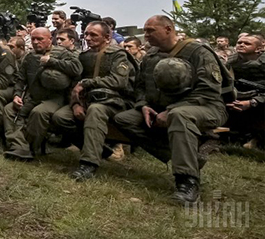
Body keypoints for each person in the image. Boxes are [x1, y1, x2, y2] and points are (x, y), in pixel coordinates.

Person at [113, 15, 227, 204]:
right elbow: (140, 86)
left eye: (151, 30)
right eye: (145, 31)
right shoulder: (151, 55)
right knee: (124, 119)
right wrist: (143, 105)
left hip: (206, 107)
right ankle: (187, 154)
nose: (146, 35)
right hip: (161, 108)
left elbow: (209, 90)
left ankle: (187, 182)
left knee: (178, 116)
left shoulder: (198, 52)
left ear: (168, 29)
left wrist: (172, 109)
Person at [52, 21, 136, 180]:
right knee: (60, 117)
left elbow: (118, 81)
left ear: (107, 37)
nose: (88, 38)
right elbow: (74, 84)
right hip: (86, 101)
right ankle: (101, 150)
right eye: (86, 34)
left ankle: (88, 164)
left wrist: (87, 83)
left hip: (114, 102)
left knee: (95, 110)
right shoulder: (84, 57)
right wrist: (75, 104)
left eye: (93, 35)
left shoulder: (118, 55)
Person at [3, 27, 82, 161]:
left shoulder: (62, 53)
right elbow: (21, 79)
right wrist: (17, 95)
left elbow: (77, 68)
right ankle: (18, 145)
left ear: (50, 39)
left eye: (40, 39)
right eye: (33, 39)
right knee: (9, 110)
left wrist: (52, 61)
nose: (35, 42)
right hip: (34, 96)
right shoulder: (29, 56)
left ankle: (30, 148)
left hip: (55, 98)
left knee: (39, 112)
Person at [225, 34, 265, 149]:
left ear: (258, 49)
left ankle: (258, 138)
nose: (241, 45)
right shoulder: (231, 61)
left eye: (247, 43)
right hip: (239, 96)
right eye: (239, 42)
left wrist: (252, 102)